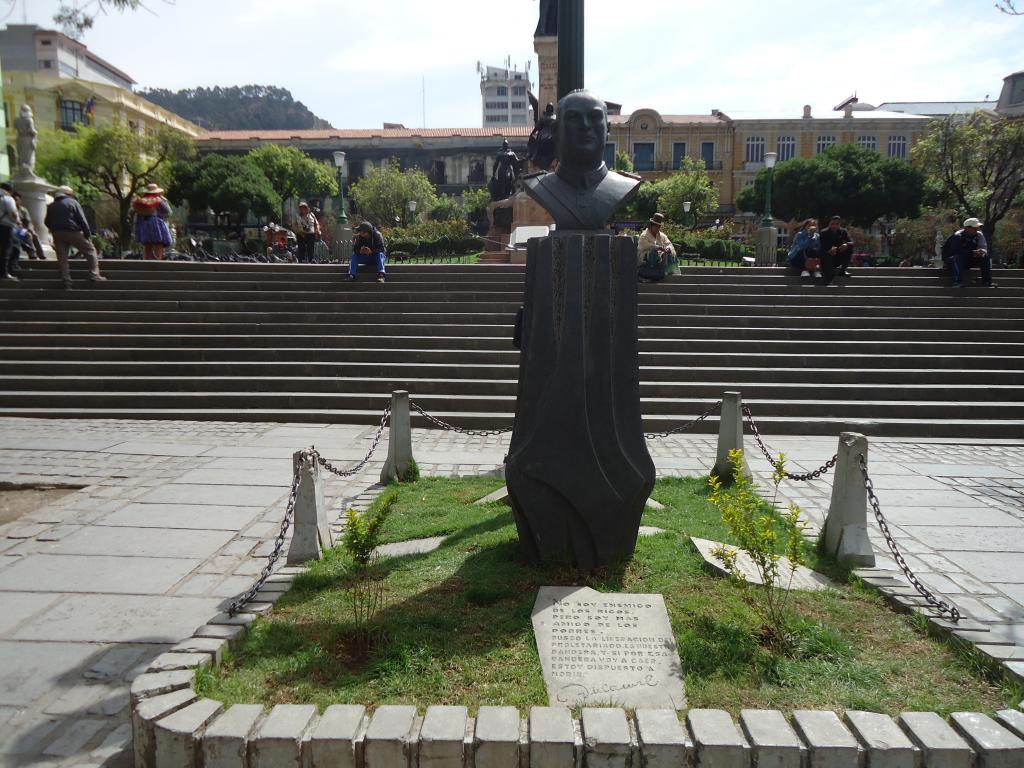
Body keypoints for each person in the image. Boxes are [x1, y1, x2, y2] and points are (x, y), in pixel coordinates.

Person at [522, 89, 642, 230]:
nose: (585, 125)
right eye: (573, 117)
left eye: (594, 117)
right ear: (555, 131)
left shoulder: (626, 185)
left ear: (608, 130)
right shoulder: (538, 186)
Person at [45, 185, 106, 289]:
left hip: (57, 233)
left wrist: (55, 229)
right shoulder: (73, 202)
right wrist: (87, 234)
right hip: (72, 231)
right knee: (90, 250)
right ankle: (94, 274)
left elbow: (46, 222)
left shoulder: (51, 206)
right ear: (68, 194)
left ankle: (66, 281)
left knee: (62, 258)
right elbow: (82, 219)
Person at [946, 217, 995, 288]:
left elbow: (983, 247)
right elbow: (956, 251)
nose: (976, 229)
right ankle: (958, 282)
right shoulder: (957, 236)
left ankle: (987, 281)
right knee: (958, 257)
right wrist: (972, 252)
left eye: (977, 227)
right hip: (953, 259)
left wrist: (981, 252)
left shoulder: (979, 235)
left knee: (985, 257)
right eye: (974, 228)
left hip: (969, 258)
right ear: (967, 228)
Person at [132, 182, 173, 260]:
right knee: (159, 243)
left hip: (144, 224)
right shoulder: (158, 200)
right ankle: (158, 260)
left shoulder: (140, 201)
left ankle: (147, 261)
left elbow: (138, 214)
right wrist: (165, 201)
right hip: (157, 224)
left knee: (148, 244)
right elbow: (168, 211)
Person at [637, 212, 676, 281]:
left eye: (659, 226)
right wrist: (657, 247)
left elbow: (669, 244)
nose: (657, 228)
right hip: (645, 261)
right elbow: (643, 245)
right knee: (653, 252)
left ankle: (666, 271)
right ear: (651, 225)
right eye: (656, 226)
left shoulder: (661, 235)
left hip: (660, 260)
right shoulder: (644, 235)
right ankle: (651, 273)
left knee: (670, 252)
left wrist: (668, 248)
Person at [818, 215, 853, 286]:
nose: (834, 226)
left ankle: (842, 271)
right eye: (832, 224)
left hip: (838, 256)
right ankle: (828, 278)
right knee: (828, 256)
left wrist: (846, 245)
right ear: (829, 224)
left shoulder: (843, 232)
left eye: (837, 224)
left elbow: (851, 242)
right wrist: (828, 251)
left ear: (839, 224)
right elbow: (819, 248)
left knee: (849, 248)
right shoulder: (823, 233)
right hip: (826, 257)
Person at [13, 191, 46, 260]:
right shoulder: (10, 209)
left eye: (16, 200)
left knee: (34, 235)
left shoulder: (23, 210)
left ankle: (41, 254)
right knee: (27, 235)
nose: (15, 202)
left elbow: (29, 222)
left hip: (22, 229)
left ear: (20, 200)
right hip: (14, 229)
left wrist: (30, 228)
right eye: (14, 200)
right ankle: (32, 253)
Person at [0, 182, 22, 281]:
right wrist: (17, 221)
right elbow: (13, 214)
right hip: (6, 227)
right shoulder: (8, 198)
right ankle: (5, 273)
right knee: (7, 249)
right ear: (10, 190)